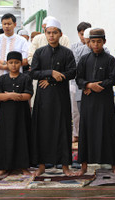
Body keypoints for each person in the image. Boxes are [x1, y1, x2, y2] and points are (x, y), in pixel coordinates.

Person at [30, 18, 77, 177]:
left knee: (63, 129)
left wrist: (53, 78)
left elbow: (72, 72)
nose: (51, 36)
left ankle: (65, 166)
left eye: (54, 33)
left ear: (60, 34)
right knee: (42, 130)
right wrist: (50, 73)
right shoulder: (39, 52)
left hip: (60, 97)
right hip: (43, 98)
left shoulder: (67, 53)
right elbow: (33, 72)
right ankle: (42, 166)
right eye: (49, 33)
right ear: (45, 34)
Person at [75, 28, 115, 175]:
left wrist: (96, 86)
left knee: (108, 130)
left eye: (98, 41)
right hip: (89, 101)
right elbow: (78, 78)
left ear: (104, 42)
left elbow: (113, 79)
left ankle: (113, 164)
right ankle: (83, 165)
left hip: (104, 101)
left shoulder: (110, 59)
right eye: (93, 41)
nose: (95, 44)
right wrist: (88, 85)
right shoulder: (84, 59)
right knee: (86, 130)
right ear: (89, 43)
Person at [0, 13, 29, 136]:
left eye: (9, 24)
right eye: (4, 24)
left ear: (15, 25)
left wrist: (6, 64)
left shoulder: (21, 40)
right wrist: (3, 66)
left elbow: (26, 60)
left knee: (18, 113)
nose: (7, 26)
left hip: (18, 80)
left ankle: (20, 141)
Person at [0, 51, 33, 176]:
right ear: (7, 64)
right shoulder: (2, 78)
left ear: (21, 64)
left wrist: (12, 95)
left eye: (16, 63)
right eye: (11, 63)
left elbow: (28, 95)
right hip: (6, 116)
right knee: (5, 139)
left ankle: (24, 167)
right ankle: (4, 167)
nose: (14, 65)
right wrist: (11, 95)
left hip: (21, 115)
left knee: (22, 138)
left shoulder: (25, 78)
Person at [71, 22, 91, 143]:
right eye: (81, 34)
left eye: (85, 34)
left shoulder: (98, 47)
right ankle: (76, 133)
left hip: (91, 84)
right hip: (75, 83)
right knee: (76, 111)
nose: (83, 37)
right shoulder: (74, 47)